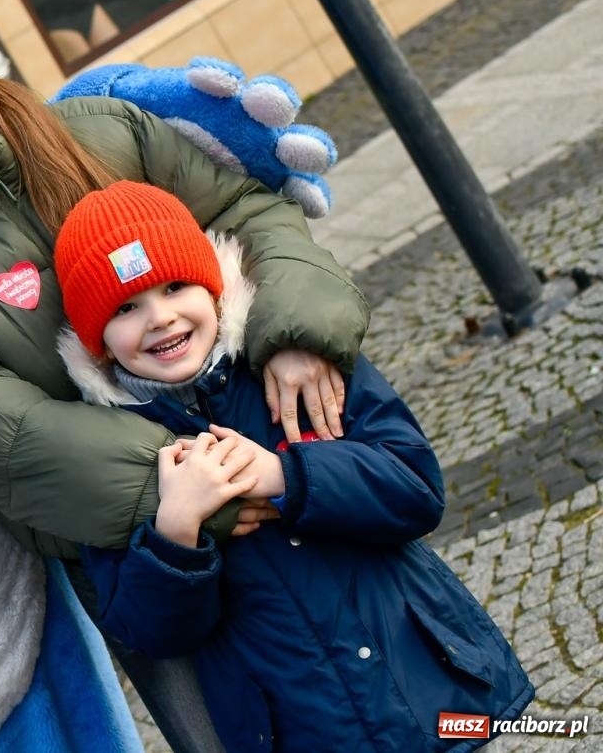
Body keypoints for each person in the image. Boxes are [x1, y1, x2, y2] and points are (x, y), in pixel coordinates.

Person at [0, 0, 369, 753]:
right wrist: (194, 487)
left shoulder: (104, 131)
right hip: (157, 553)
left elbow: (247, 212)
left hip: (289, 457)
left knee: (405, 686)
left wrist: (295, 333)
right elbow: (6, 438)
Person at [54, 182, 532, 749]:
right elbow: (150, 631)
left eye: (175, 287)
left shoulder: (292, 367)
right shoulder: (100, 454)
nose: (159, 318)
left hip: (421, 681)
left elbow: (415, 487)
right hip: (297, 725)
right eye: (126, 307)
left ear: (211, 287)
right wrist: (175, 532)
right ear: (99, 341)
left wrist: (286, 475)